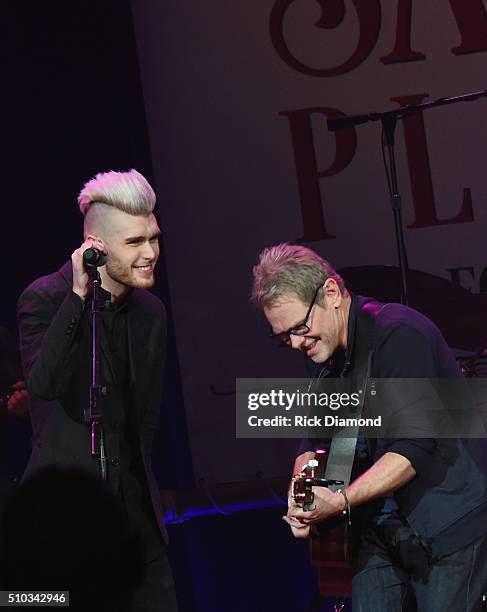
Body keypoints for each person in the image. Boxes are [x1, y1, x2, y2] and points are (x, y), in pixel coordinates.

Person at [251, 243, 487, 611]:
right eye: (284, 337)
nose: (296, 342)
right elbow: (315, 440)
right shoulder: (321, 349)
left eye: (300, 328)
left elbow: (412, 449)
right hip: (379, 527)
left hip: (448, 522)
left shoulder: (400, 334)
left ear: (330, 292)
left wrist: (340, 500)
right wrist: (301, 496)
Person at [17, 169, 177, 612]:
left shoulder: (151, 313)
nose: (150, 254)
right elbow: (43, 384)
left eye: (154, 238)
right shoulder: (44, 300)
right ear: (95, 250)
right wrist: (77, 298)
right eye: (135, 243)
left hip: (136, 522)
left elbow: (144, 421)